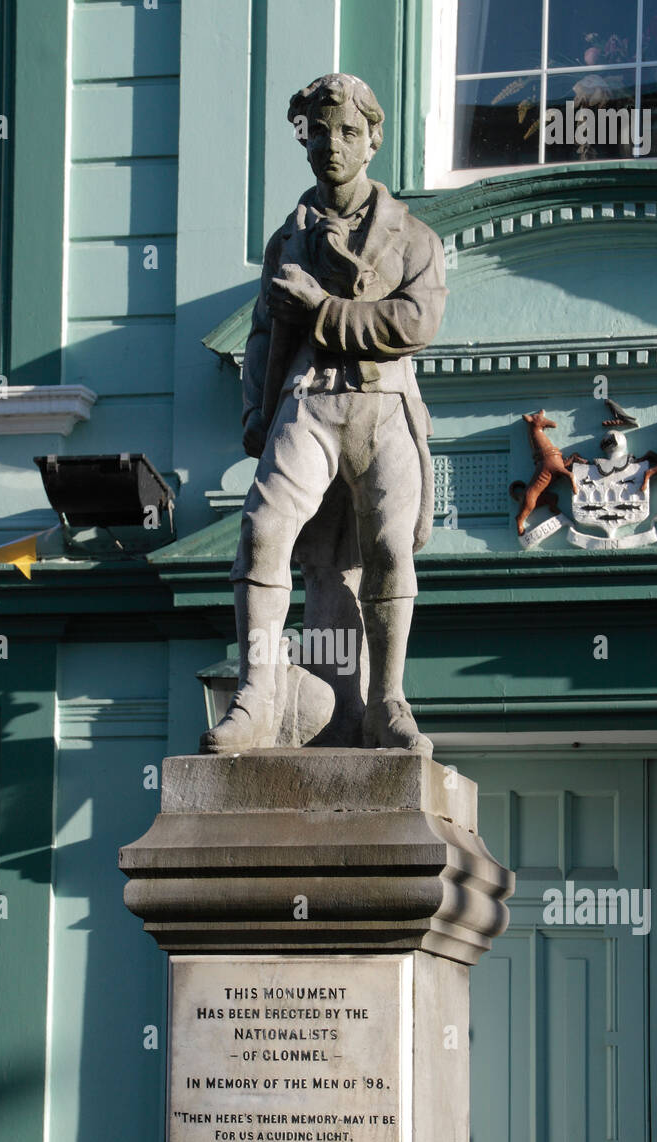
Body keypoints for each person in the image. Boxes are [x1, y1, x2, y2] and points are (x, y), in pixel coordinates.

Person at [201, 73, 447, 755]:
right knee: (261, 528)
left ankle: (385, 703)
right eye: (319, 130)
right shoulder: (288, 239)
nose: (331, 144)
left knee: (389, 549)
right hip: (307, 398)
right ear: (303, 137)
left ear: (372, 139)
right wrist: (255, 402)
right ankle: (257, 693)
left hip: (383, 404)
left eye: (347, 131)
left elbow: (415, 321)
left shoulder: (413, 235)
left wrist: (322, 310)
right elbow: (258, 332)